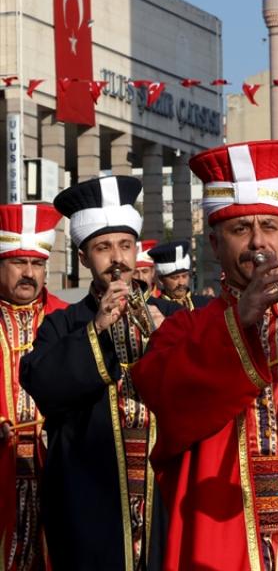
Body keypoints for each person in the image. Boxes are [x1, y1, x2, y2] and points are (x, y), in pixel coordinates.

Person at [130, 140, 278, 570]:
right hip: (221, 535)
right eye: (240, 229)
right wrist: (238, 323)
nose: (258, 242)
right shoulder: (184, 329)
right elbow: (160, 391)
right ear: (214, 244)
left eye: (270, 227)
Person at [20, 176, 178, 571]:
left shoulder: (173, 317)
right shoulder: (63, 324)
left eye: (125, 245)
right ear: (84, 258)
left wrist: (169, 340)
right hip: (89, 496)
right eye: (103, 248)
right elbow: (42, 384)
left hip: (164, 492)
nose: (117, 258)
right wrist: (97, 330)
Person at [0, 203, 67, 571]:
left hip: (57, 469)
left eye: (38, 264)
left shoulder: (66, 319)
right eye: (18, 263)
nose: (29, 273)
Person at [150, 240, 211, 311]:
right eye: (175, 278)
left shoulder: (205, 304)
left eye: (184, 276)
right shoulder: (155, 309)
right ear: (161, 279)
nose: (181, 283)